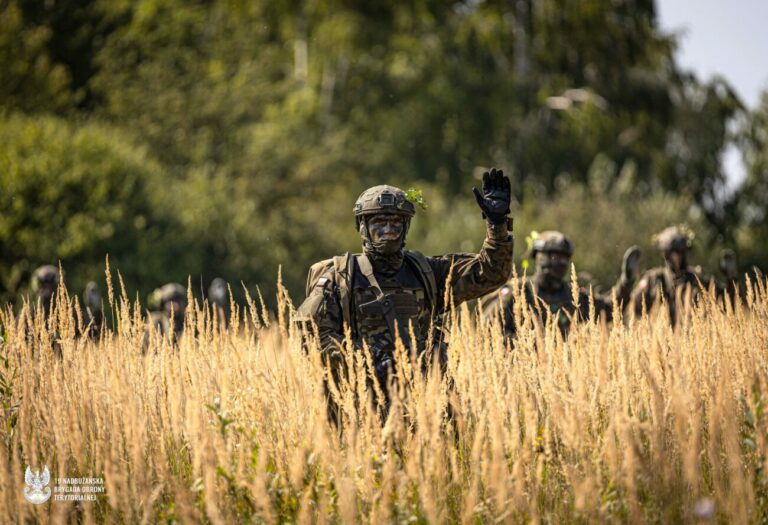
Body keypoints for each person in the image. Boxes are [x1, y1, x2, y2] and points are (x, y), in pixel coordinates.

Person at [295, 168, 514, 415]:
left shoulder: (428, 272)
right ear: (363, 226)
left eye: (396, 222)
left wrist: (497, 225)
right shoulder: (340, 276)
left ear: (405, 227)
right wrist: (365, 361)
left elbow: (491, 273)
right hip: (359, 409)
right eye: (379, 222)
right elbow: (313, 337)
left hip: (425, 406)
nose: (388, 229)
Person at [482, 231, 640, 338]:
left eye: (564, 258)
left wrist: (626, 282)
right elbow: (488, 331)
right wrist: (525, 346)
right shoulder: (519, 291)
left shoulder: (571, 295)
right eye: (555, 257)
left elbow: (608, 310)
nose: (560, 263)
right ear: (540, 256)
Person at [630, 225, 738, 324]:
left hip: (692, 341)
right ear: (666, 254)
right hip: (660, 341)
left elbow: (727, 303)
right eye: (675, 252)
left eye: (681, 252)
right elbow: (633, 308)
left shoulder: (696, 277)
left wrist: (731, 279)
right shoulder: (654, 279)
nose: (678, 256)